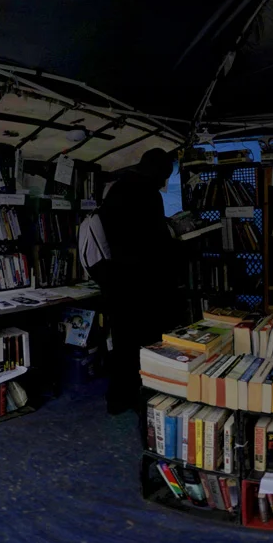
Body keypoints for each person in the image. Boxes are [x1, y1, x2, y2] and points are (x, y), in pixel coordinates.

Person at [92, 146, 183, 418]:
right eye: (164, 175)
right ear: (155, 170)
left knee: (123, 343)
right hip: (145, 283)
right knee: (149, 342)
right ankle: (147, 396)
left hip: (118, 280)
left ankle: (118, 399)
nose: (165, 182)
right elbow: (156, 242)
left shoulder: (116, 190)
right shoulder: (149, 194)